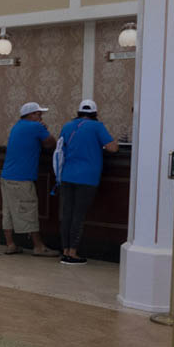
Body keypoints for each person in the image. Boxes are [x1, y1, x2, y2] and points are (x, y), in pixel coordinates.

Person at [57, 100, 118, 265]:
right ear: (95, 113)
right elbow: (113, 148)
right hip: (87, 177)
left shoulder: (68, 126)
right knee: (78, 214)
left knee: (67, 214)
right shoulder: (97, 126)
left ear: (78, 112)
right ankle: (73, 253)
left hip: (67, 175)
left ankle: (64, 251)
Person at [0, 101, 59, 257]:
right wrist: (45, 128)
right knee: (29, 209)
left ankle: (10, 244)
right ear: (31, 115)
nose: (40, 117)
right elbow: (51, 144)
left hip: (6, 176)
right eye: (38, 114)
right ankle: (38, 246)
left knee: (8, 211)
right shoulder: (36, 127)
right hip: (22, 178)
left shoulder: (17, 126)